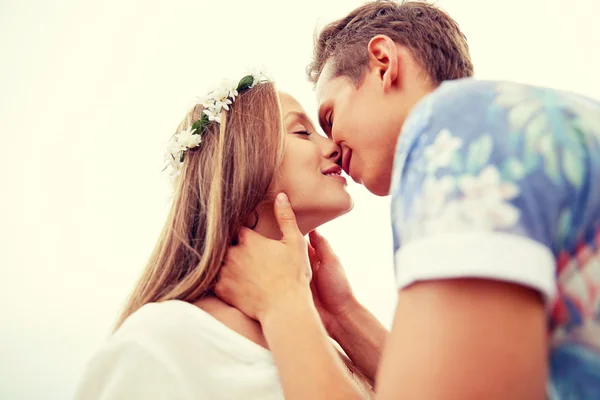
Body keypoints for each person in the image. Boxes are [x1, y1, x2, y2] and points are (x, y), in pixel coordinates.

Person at [214, 1, 600, 399]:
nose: (330, 144)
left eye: (329, 117)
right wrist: (342, 316)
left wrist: (283, 303)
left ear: (383, 62)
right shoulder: (529, 123)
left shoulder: (454, 136)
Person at [73, 71, 377, 399]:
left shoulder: (323, 349)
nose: (333, 145)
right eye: (302, 132)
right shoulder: (162, 341)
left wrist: (341, 315)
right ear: (245, 162)